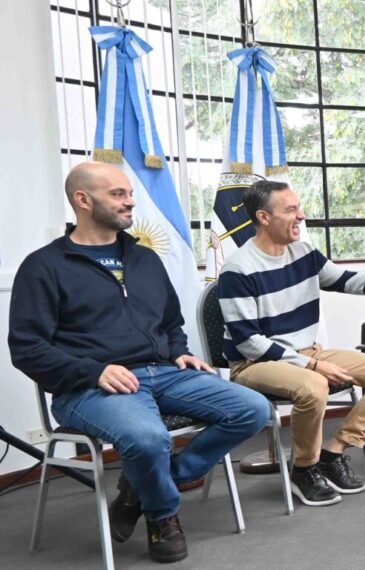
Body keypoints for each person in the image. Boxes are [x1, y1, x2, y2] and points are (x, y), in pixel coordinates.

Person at [8, 162, 270, 563]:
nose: (130, 200)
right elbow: (27, 348)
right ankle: (163, 515)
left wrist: (178, 349)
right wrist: (93, 370)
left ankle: (143, 487)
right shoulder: (44, 267)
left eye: (129, 192)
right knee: (149, 439)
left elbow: (169, 321)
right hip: (88, 387)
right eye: (117, 194)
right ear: (82, 199)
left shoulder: (144, 258)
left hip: (164, 371)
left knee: (252, 409)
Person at [218, 180, 365, 507]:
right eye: (290, 210)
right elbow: (249, 343)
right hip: (254, 364)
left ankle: (333, 453)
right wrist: (312, 365)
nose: (301, 216)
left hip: (307, 353)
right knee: (314, 385)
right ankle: (303, 468)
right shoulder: (238, 268)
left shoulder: (304, 253)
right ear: (263, 217)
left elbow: (353, 283)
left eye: (299, 208)